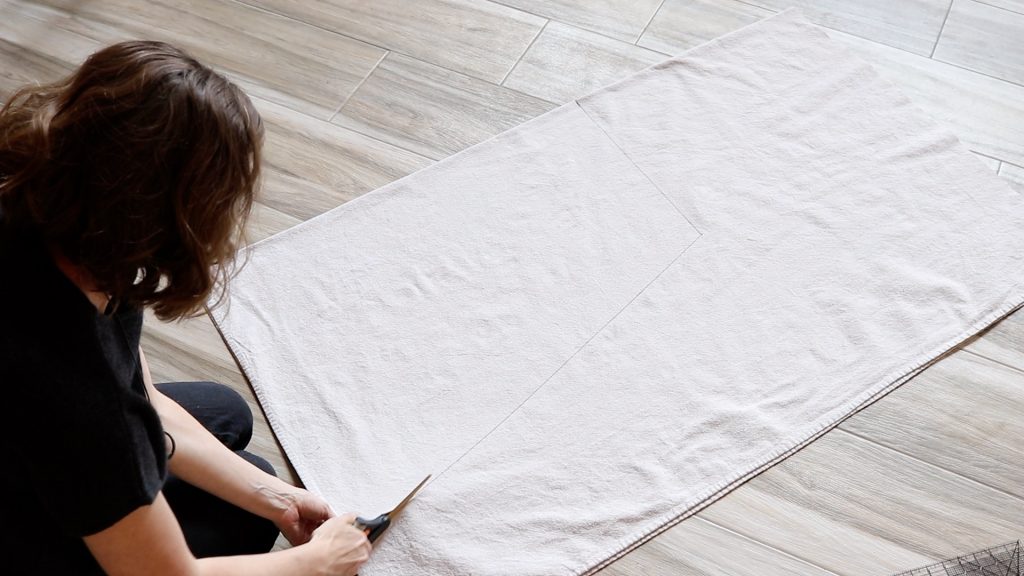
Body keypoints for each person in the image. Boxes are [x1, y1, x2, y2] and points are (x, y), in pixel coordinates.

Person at [0, 41, 372, 575]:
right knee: (237, 524)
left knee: (226, 414)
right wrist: (319, 562)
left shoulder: (40, 206)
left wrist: (281, 499)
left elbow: (142, 395)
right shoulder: (82, 395)